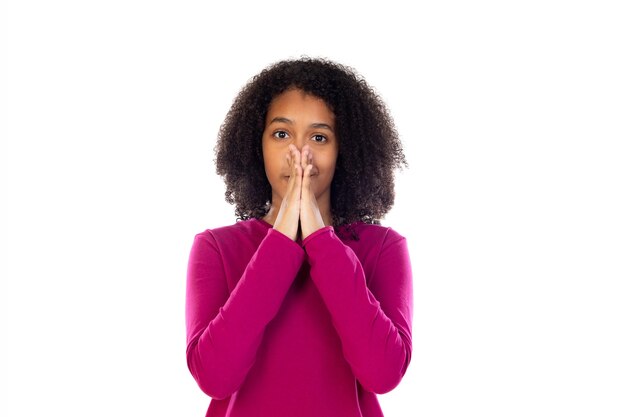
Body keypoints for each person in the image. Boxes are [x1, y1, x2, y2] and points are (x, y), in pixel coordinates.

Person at [185, 57, 413, 417]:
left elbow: (382, 374)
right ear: (255, 145)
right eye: (281, 134)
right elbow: (215, 377)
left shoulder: (382, 248)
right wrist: (281, 239)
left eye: (319, 137)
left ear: (344, 152)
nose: (299, 155)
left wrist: (320, 237)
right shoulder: (216, 248)